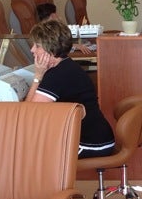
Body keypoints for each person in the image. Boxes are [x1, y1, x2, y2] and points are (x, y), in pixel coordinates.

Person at [26, 19, 115, 158]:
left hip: (90, 144)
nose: (32, 50)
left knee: (29, 149)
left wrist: (38, 76)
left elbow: (29, 113)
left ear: (51, 49)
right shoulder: (67, 65)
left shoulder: (56, 75)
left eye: (37, 46)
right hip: (101, 138)